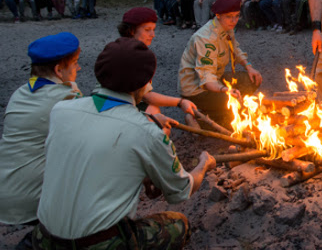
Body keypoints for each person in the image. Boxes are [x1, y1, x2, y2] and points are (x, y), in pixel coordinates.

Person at [32, 37, 217, 249]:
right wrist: (204, 164)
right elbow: (181, 190)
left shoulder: (61, 111)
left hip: (43, 238)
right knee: (179, 223)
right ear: (143, 84)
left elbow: (101, 142)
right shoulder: (146, 133)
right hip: (97, 244)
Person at [0, 32, 81, 248]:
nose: (79, 68)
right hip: (25, 196)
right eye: (75, 63)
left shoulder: (20, 92)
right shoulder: (64, 97)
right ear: (58, 70)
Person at [179, 0, 263, 127]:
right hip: (196, 89)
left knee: (252, 79)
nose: (234, 20)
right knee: (233, 108)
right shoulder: (206, 39)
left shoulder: (225, 27)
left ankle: (214, 110)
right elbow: (206, 79)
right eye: (229, 16)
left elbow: (235, 48)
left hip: (216, 78)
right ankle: (199, 119)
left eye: (236, 16)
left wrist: (249, 66)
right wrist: (225, 90)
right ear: (218, 15)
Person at [118, 6, 198, 119]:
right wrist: (180, 102)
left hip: (116, 99)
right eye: (147, 30)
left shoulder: (119, 45)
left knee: (154, 111)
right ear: (131, 30)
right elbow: (147, 96)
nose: (153, 34)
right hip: (117, 104)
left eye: (153, 29)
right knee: (159, 121)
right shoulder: (135, 56)